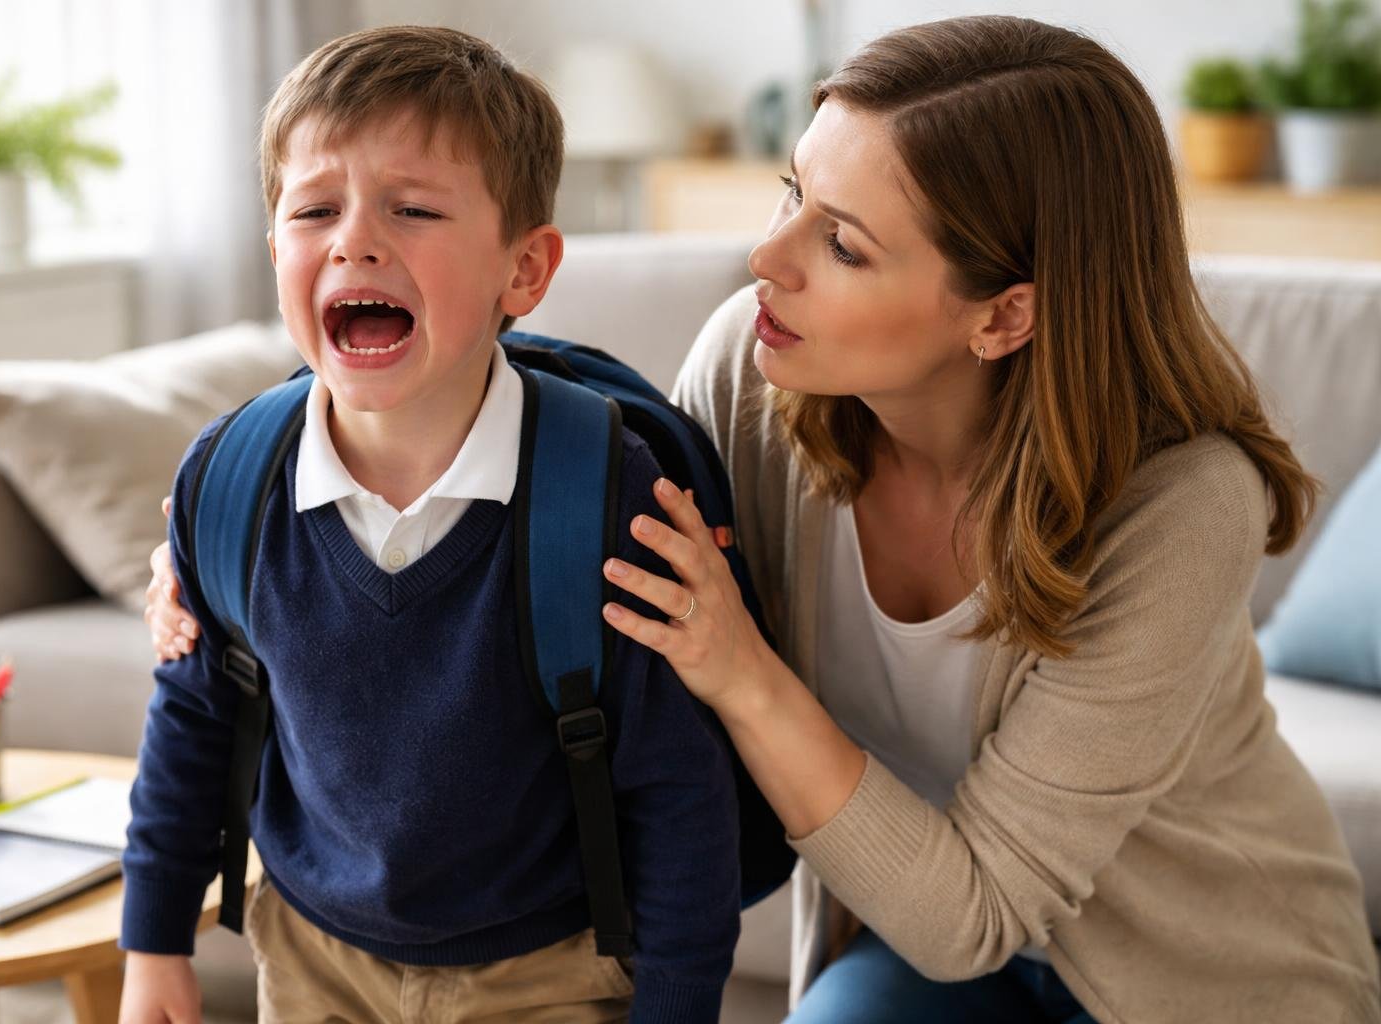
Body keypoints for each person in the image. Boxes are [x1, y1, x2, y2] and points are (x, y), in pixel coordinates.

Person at [149, 16, 1381, 1024]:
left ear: (1002, 316)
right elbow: (543, 426)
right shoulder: (756, 369)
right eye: (793, 192)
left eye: (839, 241)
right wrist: (239, 524)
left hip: (1194, 975)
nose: (765, 257)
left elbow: (976, 911)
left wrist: (740, 669)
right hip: (901, 944)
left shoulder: (1181, 505)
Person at [120, 26, 740, 1024]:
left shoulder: (604, 491)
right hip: (314, 954)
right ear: (275, 247)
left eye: (412, 209)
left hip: (551, 965)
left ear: (525, 271)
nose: (353, 239)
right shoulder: (228, 477)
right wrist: (152, 942)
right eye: (314, 208)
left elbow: (678, 793)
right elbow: (193, 721)